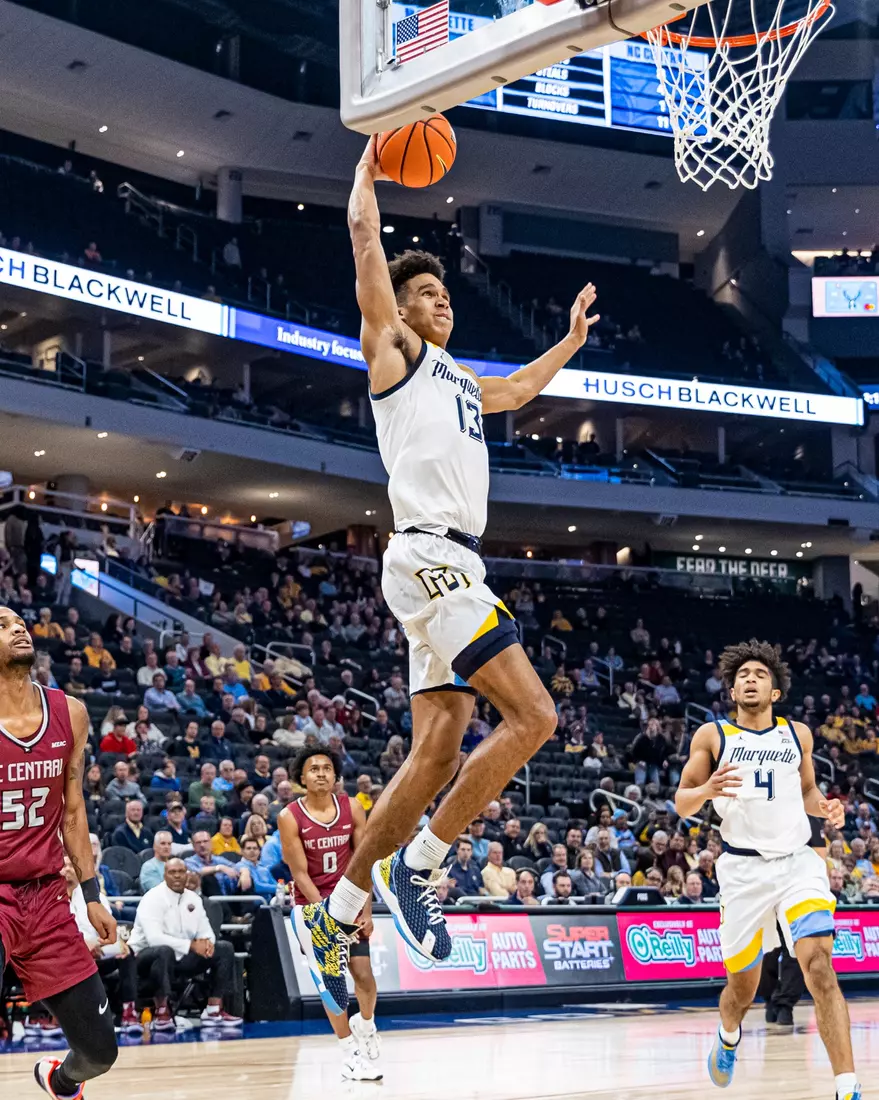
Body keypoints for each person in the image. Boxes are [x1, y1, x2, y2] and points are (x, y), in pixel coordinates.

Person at [293, 136, 600, 1017]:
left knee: (435, 752)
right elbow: (362, 245)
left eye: (446, 294)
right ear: (404, 308)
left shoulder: (461, 379)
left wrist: (570, 341)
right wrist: (364, 173)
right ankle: (419, 871)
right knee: (534, 716)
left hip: (445, 563)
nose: (442, 304)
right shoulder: (392, 353)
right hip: (432, 556)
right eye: (428, 292)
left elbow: (517, 392)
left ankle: (341, 910)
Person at [674, 639, 858, 1100]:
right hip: (743, 871)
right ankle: (729, 1035)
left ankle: (848, 1087)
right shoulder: (712, 736)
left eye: (760, 674)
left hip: (798, 864)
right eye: (743, 676)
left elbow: (809, 791)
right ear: (732, 691)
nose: (750, 679)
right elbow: (681, 802)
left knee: (819, 966)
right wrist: (707, 790)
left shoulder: (797, 734)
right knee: (742, 989)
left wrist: (827, 808)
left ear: (775, 691)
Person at [0, 608, 118, 1099]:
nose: (18, 627)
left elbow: (72, 812)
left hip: (47, 893)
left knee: (99, 1052)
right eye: (2, 625)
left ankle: (60, 1081)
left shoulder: (69, 712)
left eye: (18, 621)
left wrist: (91, 895)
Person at [278, 747, 381, 1081]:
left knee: (364, 976)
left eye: (326, 768)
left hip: (350, 900)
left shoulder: (352, 807)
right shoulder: (289, 816)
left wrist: (366, 909)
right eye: (313, 769)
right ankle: (348, 1052)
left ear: (336, 775)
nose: (320, 773)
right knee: (331, 980)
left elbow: (362, 860)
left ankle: (365, 1025)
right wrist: (325, 914)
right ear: (301, 778)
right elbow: (299, 873)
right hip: (312, 909)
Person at [128, 859, 242, 1030]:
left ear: (186, 873)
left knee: (224, 948)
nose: (177, 876)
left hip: (179, 957)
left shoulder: (193, 899)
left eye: (181, 872)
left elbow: (206, 931)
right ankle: (162, 1012)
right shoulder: (152, 898)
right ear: (164, 875)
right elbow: (154, 939)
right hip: (144, 958)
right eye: (172, 872)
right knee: (163, 951)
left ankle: (213, 1009)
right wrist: (191, 945)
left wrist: (207, 944)